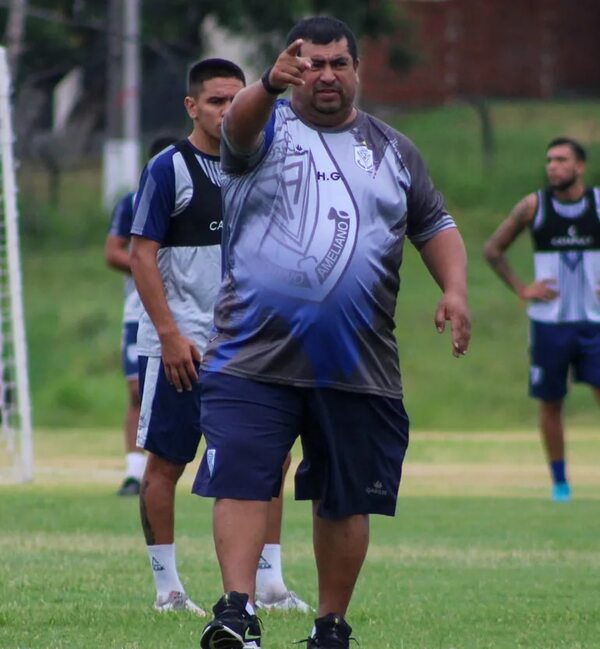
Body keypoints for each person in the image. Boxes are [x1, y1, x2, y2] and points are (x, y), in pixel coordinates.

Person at [193, 16, 470, 649]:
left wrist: (454, 290)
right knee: (240, 477)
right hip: (251, 355)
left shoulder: (394, 151)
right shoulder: (263, 130)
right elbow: (234, 126)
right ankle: (236, 613)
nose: (324, 74)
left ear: (356, 69)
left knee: (344, 499)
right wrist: (264, 82)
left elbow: (435, 224)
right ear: (294, 67)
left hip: (356, 361)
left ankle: (330, 627)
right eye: (311, 63)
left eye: (336, 63)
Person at [130, 58, 309, 615]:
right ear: (191, 106)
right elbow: (140, 254)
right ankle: (168, 590)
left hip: (251, 347)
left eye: (237, 98)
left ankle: (271, 584)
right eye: (215, 101)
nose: (228, 110)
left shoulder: (260, 166)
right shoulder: (170, 169)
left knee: (268, 460)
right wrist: (170, 332)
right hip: (183, 348)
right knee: (165, 465)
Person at [484, 137, 600, 503]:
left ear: (580, 167)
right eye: (549, 160)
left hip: (594, 324)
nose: (553, 166)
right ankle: (560, 484)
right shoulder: (534, 206)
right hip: (550, 326)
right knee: (551, 402)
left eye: (562, 160)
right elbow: (493, 250)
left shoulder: (597, 205)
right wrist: (522, 288)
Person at [103, 135, 177, 496]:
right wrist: (147, 267)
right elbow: (114, 252)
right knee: (137, 389)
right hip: (140, 312)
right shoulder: (134, 201)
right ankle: (134, 472)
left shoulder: (202, 196)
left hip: (193, 310)